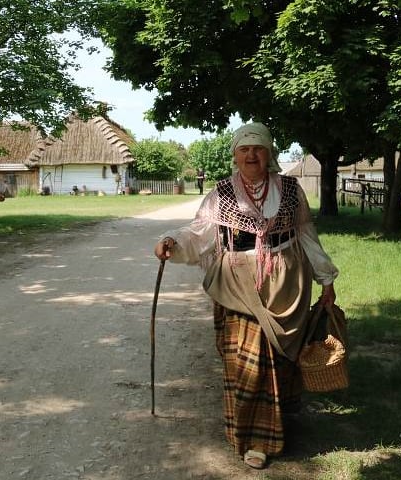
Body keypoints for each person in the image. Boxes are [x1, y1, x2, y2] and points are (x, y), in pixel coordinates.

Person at [153, 122, 338, 470]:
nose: (251, 154)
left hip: (285, 284)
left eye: (258, 148)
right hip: (236, 285)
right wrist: (172, 241)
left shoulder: (291, 190)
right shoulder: (220, 195)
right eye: (244, 149)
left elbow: (306, 235)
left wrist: (326, 279)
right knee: (245, 364)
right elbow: (199, 233)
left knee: (281, 361)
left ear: (269, 153)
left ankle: (274, 428)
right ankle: (254, 439)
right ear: (235, 155)